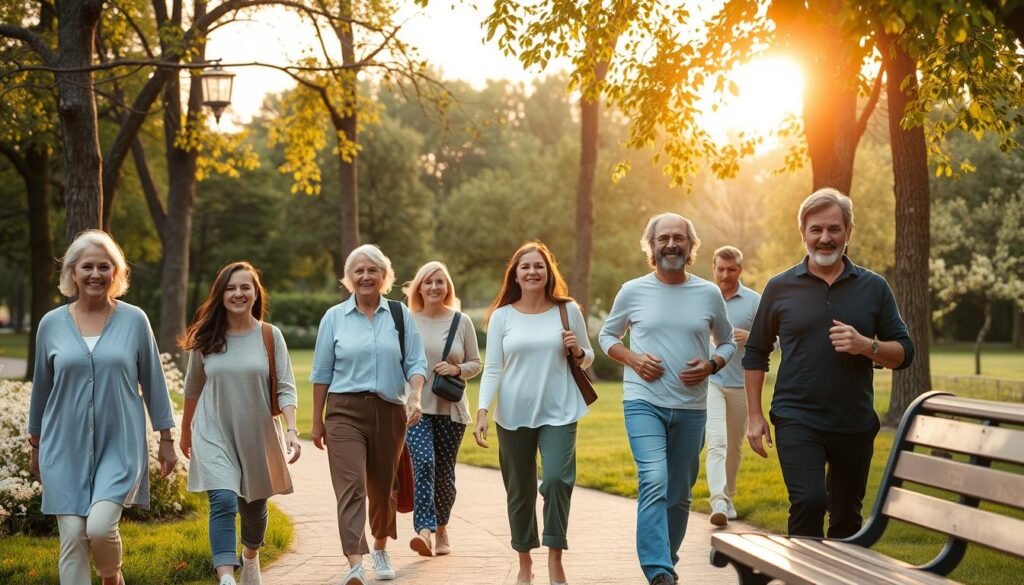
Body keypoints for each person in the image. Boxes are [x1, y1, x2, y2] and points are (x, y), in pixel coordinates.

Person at [743, 188, 914, 538]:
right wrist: (755, 415)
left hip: (853, 421)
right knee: (808, 500)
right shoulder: (780, 287)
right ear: (803, 233)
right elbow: (756, 352)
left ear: (848, 232)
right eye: (816, 229)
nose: (825, 238)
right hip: (796, 416)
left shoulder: (874, 287)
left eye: (834, 229)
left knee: (847, 518)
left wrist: (867, 345)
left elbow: (905, 352)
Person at [29, 230, 177, 585]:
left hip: (120, 443)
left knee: (98, 527)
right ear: (73, 273)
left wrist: (167, 438)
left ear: (116, 273)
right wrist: (34, 446)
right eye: (87, 267)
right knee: (72, 539)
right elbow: (41, 390)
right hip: (62, 444)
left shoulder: (134, 320)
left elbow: (154, 381)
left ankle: (111, 575)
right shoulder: (50, 324)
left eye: (104, 267)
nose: (95, 274)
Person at [598, 213, 735, 585]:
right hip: (643, 402)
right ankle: (657, 569)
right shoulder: (632, 290)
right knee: (654, 479)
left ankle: (666, 562)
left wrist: (711, 364)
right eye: (663, 239)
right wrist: (633, 358)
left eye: (679, 238)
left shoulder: (708, 293)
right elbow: (607, 337)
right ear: (651, 246)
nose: (671, 244)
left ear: (691, 247)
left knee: (679, 495)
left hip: (691, 407)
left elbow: (727, 340)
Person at [473, 241, 594, 585]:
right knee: (520, 490)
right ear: (515, 274)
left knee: (556, 479)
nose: (532, 272)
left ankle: (555, 557)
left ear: (548, 272)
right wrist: (483, 410)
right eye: (525, 266)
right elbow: (493, 367)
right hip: (512, 414)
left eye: (538, 266)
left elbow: (588, 358)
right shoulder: (502, 316)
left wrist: (579, 350)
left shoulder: (568, 310)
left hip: (559, 410)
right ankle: (525, 561)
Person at [310, 244, 428, 585]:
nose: (365, 276)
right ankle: (355, 561)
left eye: (372, 270)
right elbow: (321, 373)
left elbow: (416, 362)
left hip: (390, 410)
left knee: (384, 488)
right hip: (344, 412)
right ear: (349, 278)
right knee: (351, 487)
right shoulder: (334, 317)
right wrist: (317, 421)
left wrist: (415, 396)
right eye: (358, 271)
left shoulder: (399, 315)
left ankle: (379, 547)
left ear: (384, 276)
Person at [179, 261, 303, 585]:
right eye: (231, 288)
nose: (238, 293)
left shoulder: (269, 336)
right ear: (220, 295)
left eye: (245, 287)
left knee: (254, 508)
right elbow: (192, 388)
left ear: (255, 293)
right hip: (212, 430)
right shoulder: (205, 338)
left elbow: (287, 388)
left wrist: (291, 430)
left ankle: (251, 555)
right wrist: (184, 432)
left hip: (256, 434)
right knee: (221, 500)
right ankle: (226, 576)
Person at [402, 261, 482, 557]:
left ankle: (443, 527)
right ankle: (424, 530)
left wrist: (456, 367)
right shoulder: (407, 321)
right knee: (423, 463)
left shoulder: (461, 322)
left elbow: (476, 363)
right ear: (418, 287)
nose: (435, 287)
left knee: (444, 472)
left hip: (452, 410)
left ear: (447, 287)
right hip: (417, 409)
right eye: (428, 282)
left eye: (440, 282)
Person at [705, 246, 761, 527]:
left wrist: (750, 337)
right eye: (721, 269)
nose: (725, 275)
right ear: (713, 268)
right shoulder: (702, 297)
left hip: (741, 384)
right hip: (710, 381)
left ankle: (728, 496)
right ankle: (718, 501)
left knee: (734, 446)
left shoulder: (754, 301)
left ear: (740, 269)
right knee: (717, 441)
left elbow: (774, 341)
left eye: (732, 269)